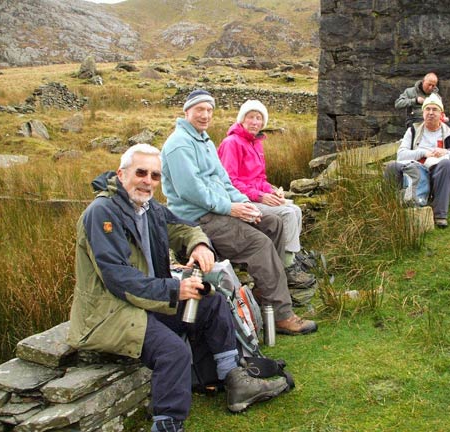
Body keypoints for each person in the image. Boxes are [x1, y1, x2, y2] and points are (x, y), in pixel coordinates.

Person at [67, 144, 289, 432]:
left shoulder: (149, 208)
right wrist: (174, 291)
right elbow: (117, 278)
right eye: (141, 173)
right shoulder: (102, 214)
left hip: (145, 301)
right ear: (121, 174)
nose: (148, 181)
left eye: (155, 176)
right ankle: (167, 424)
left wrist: (198, 244)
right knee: (173, 352)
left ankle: (234, 380)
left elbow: (185, 227)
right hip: (111, 312)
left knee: (212, 303)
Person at [160, 89, 318, 336]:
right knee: (259, 244)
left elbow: (225, 182)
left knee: (273, 222)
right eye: (199, 109)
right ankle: (282, 315)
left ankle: (266, 295)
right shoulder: (178, 145)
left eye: (209, 110)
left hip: (218, 212)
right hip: (197, 219)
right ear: (187, 111)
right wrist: (231, 208)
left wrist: (248, 206)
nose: (205, 115)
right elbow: (192, 191)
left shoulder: (205, 141)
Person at [217, 99, 315, 289]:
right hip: (240, 201)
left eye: (259, 118)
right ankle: (287, 268)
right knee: (286, 213)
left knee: (294, 209)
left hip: (255, 195)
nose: (255, 122)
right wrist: (260, 196)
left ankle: (292, 256)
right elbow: (229, 181)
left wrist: (272, 191)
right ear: (242, 119)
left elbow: (260, 178)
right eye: (251, 117)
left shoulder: (256, 144)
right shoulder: (231, 143)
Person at [385, 93, 450, 228]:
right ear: (423, 113)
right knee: (392, 166)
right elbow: (401, 155)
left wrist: (446, 153)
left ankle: (440, 214)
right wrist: (423, 153)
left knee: (445, 164)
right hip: (415, 169)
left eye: (435, 109)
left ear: (441, 113)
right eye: (427, 109)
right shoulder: (413, 130)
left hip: (438, 172)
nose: (431, 113)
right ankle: (389, 207)